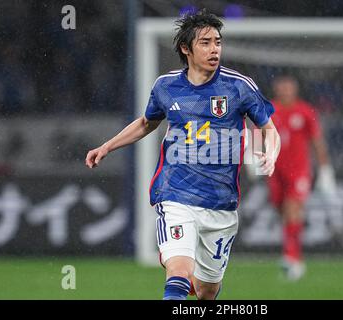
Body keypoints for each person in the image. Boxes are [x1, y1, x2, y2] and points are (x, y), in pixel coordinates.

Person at [85, 9, 280, 300]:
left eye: (217, 41)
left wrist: (271, 154)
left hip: (221, 205)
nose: (214, 49)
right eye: (205, 42)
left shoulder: (238, 86)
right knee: (178, 271)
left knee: (205, 291)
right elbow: (145, 123)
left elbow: (269, 129)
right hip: (175, 194)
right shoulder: (166, 87)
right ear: (185, 49)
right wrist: (107, 146)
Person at [267, 75, 336, 280]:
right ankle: (292, 252)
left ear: (295, 90)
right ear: (277, 89)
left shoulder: (305, 111)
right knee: (282, 210)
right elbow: (257, 131)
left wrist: (325, 169)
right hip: (275, 169)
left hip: (298, 171)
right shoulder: (269, 109)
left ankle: (292, 258)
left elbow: (317, 141)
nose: (286, 91)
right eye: (282, 87)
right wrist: (254, 155)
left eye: (290, 87)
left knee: (292, 208)